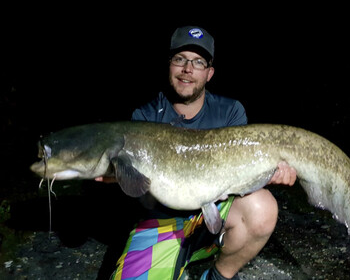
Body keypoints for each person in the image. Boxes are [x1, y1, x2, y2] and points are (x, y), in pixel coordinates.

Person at [100, 26, 297, 280]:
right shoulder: (144, 118)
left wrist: (271, 172)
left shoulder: (230, 112)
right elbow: (143, 199)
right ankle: (175, 257)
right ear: (169, 65)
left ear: (209, 73)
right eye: (180, 59)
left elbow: (242, 178)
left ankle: (219, 274)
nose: (187, 69)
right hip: (162, 223)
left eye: (198, 62)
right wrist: (121, 178)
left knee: (262, 206)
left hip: (214, 217)